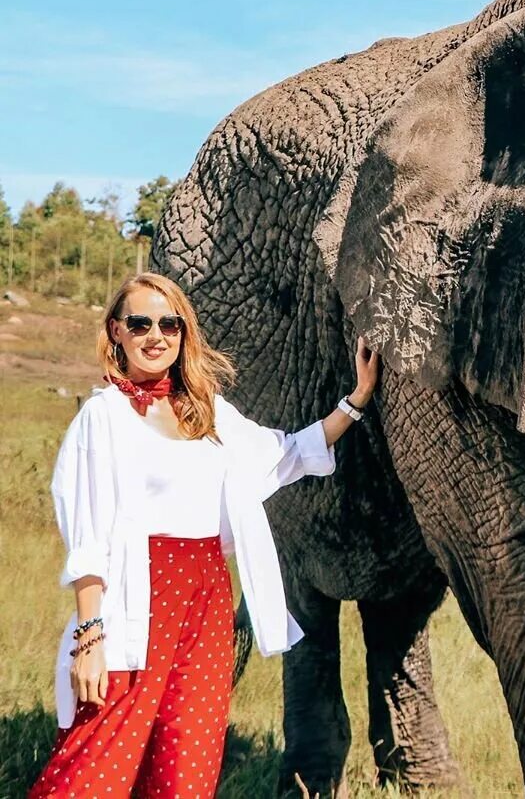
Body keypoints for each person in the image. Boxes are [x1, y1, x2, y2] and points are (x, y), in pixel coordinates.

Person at [29, 271, 379, 797]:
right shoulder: (103, 417)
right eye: (140, 323)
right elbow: (88, 538)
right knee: (98, 761)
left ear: (183, 333)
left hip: (206, 602)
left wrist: (355, 400)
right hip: (134, 601)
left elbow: (282, 454)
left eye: (169, 324)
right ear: (115, 333)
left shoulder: (208, 412)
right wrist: (90, 638)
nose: (155, 335)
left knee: (188, 760)